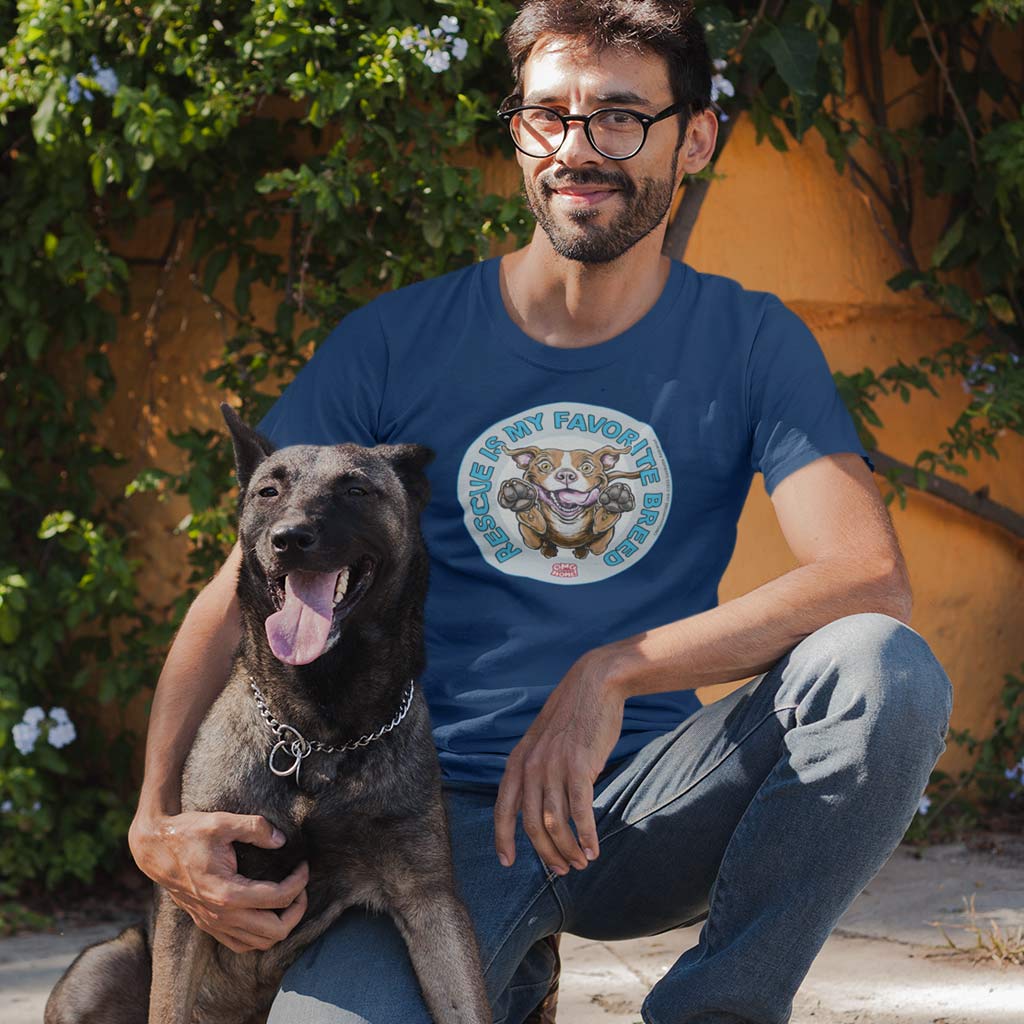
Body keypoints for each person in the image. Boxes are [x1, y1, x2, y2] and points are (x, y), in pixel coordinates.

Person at [128, 1, 953, 1021]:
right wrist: (155, 815)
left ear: (692, 138)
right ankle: (510, 969)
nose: (576, 149)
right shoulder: (395, 343)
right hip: (430, 821)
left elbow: (868, 577)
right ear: (516, 130)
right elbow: (245, 581)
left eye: (617, 118)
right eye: (546, 115)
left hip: (652, 801)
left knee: (882, 667)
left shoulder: (747, 340)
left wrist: (611, 671)